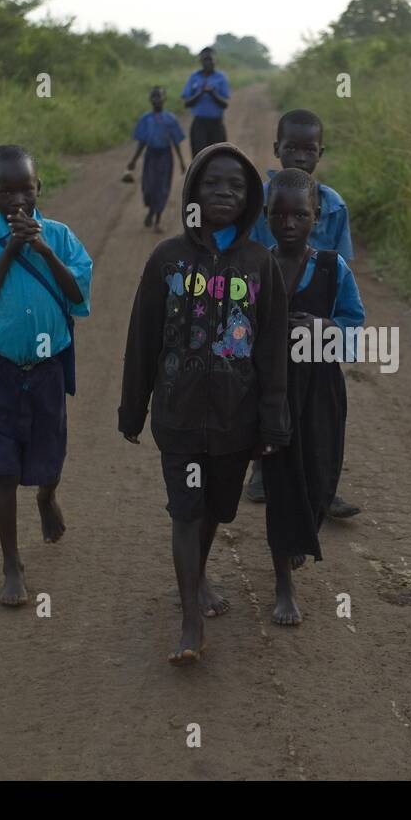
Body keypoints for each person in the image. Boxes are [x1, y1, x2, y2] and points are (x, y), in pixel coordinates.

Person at [119, 142, 290, 664]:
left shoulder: (260, 264)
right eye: (212, 183)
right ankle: (191, 620)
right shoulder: (166, 260)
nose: (224, 193)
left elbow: (271, 348)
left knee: (216, 508)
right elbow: (142, 339)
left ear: (250, 201)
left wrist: (272, 419)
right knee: (186, 512)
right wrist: (133, 408)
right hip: (178, 416)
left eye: (236, 187)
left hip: (236, 422)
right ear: (192, 191)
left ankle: (197, 575)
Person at [0, 145, 94, 607]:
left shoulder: (59, 235)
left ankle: (47, 497)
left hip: (48, 371)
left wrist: (42, 249)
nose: (17, 200)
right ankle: (11, 563)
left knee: (49, 458)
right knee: (3, 470)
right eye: (5, 191)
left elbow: (77, 297)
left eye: (25, 189)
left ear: (39, 188)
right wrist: (10, 249)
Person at [261, 168, 365, 625]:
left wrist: (325, 328)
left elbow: (356, 328)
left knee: (321, 478)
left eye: (299, 214)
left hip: (321, 389)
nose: (288, 223)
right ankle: (283, 582)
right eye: (278, 214)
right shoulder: (255, 266)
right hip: (272, 393)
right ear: (265, 216)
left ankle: (304, 529)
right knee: (282, 482)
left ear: (317, 216)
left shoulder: (331, 268)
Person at [246, 109, 360, 519]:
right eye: (290, 147)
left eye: (308, 148)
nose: (298, 155)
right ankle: (263, 469)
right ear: (276, 149)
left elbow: (342, 267)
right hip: (273, 308)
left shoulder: (333, 206)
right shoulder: (263, 202)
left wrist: (331, 326)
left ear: (320, 152)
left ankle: (323, 486)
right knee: (269, 393)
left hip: (316, 325)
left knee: (318, 410)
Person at [125, 86, 186, 231]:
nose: (157, 100)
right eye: (154, 97)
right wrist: (133, 160)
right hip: (151, 156)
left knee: (162, 188)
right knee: (149, 187)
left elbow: (176, 142)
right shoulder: (145, 119)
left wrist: (182, 161)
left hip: (165, 156)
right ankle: (151, 211)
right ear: (150, 100)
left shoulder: (170, 119)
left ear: (164, 99)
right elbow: (142, 142)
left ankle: (157, 220)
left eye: (159, 97)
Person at [181, 47, 230, 158]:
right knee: (199, 158)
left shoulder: (221, 77)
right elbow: (187, 104)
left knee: (219, 157)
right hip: (199, 124)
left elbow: (225, 104)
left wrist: (212, 93)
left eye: (210, 59)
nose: (208, 62)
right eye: (205, 59)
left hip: (217, 124)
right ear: (200, 61)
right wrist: (200, 92)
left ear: (215, 61)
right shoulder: (194, 77)